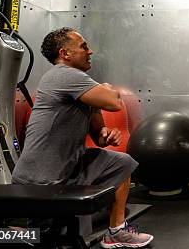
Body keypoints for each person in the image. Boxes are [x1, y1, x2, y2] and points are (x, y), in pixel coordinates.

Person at [12, 27, 153, 248]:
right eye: (84, 46)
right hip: (41, 178)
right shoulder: (63, 75)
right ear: (65, 54)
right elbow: (114, 102)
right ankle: (18, 233)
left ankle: (116, 231)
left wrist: (107, 136)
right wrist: (106, 88)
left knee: (121, 163)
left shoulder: (82, 87)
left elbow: (99, 137)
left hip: (70, 167)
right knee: (64, 239)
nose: (91, 51)